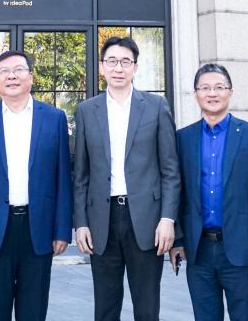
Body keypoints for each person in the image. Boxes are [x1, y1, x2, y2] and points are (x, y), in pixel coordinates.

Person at [73, 35, 180, 321]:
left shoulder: (156, 106)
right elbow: (81, 174)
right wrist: (81, 222)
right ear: (102, 67)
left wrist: (168, 219)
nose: (118, 68)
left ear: (135, 67)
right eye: (112, 61)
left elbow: (170, 171)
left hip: (147, 221)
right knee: (105, 308)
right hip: (102, 221)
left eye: (125, 62)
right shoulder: (87, 110)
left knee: (147, 308)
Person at [0, 50, 73, 321]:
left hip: (38, 228)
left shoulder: (54, 118)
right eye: (4, 71)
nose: (11, 76)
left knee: (34, 311)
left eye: (19, 70)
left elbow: (63, 178)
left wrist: (62, 229)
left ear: (31, 77)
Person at [169, 64, 248, 321]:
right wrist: (178, 241)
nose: (212, 93)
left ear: (230, 92)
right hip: (199, 250)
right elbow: (177, 194)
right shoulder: (183, 138)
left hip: (241, 248)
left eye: (219, 87)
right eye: (205, 88)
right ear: (196, 94)